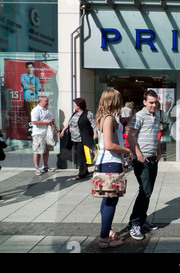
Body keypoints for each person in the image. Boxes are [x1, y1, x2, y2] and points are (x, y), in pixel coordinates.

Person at [94, 88, 132, 249]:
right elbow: (109, 145)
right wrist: (127, 150)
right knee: (111, 201)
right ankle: (104, 239)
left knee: (107, 199)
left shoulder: (103, 118)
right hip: (111, 162)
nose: (121, 102)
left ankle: (106, 231)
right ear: (113, 101)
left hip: (105, 162)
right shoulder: (109, 118)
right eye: (119, 99)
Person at [127, 89, 162, 240]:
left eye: (155, 102)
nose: (154, 105)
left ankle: (141, 219)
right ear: (144, 102)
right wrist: (138, 154)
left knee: (147, 191)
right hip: (142, 160)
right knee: (145, 191)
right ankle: (134, 223)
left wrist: (159, 150)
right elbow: (130, 135)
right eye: (151, 102)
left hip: (153, 159)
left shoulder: (155, 116)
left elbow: (156, 135)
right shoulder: (139, 116)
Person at [60, 98, 98, 180]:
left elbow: (93, 124)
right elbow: (69, 123)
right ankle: (84, 171)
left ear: (79, 105)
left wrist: (95, 133)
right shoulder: (75, 114)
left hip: (83, 138)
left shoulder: (88, 113)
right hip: (74, 138)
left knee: (81, 155)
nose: (73, 106)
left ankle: (82, 173)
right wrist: (63, 130)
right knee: (79, 155)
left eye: (74, 104)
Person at [30, 96, 58, 176]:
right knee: (38, 150)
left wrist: (55, 128)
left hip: (48, 133)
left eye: (48, 101)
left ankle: (45, 166)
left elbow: (52, 120)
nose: (47, 103)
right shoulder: (36, 110)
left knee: (46, 150)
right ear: (40, 101)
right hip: (39, 133)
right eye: (46, 101)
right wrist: (46, 122)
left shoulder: (48, 109)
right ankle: (37, 168)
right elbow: (34, 122)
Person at [21, 62, 41, 126]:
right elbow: (24, 85)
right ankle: (30, 128)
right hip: (27, 98)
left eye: (31, 67)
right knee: (29, 114)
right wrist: (33, 86)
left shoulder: (36, 78)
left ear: (33, 68)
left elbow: (37, 89)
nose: (29, 69)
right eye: (28, 67)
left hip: (34, 99)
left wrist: (28, 86)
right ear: (26, 68)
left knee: (35, 114)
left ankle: (34, 127)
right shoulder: (23, 76)